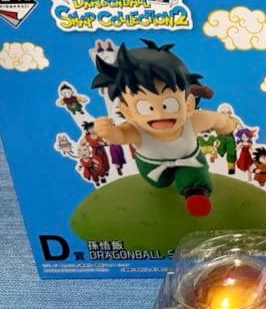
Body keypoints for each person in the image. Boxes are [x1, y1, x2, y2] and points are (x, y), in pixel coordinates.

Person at [89, 39, 235, 217]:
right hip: (151, 167)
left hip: (189, 159)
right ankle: (169, 182)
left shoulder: (193, 120)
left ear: (188, 104)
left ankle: (196, 194)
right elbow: (121, 136)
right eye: (145, 107)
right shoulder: (136, 130)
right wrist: (109, 132)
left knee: (194, 176)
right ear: (128, 111)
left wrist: (228, 126)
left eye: (169, 104)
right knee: (160, 184)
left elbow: (218, 120)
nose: (159, 115)